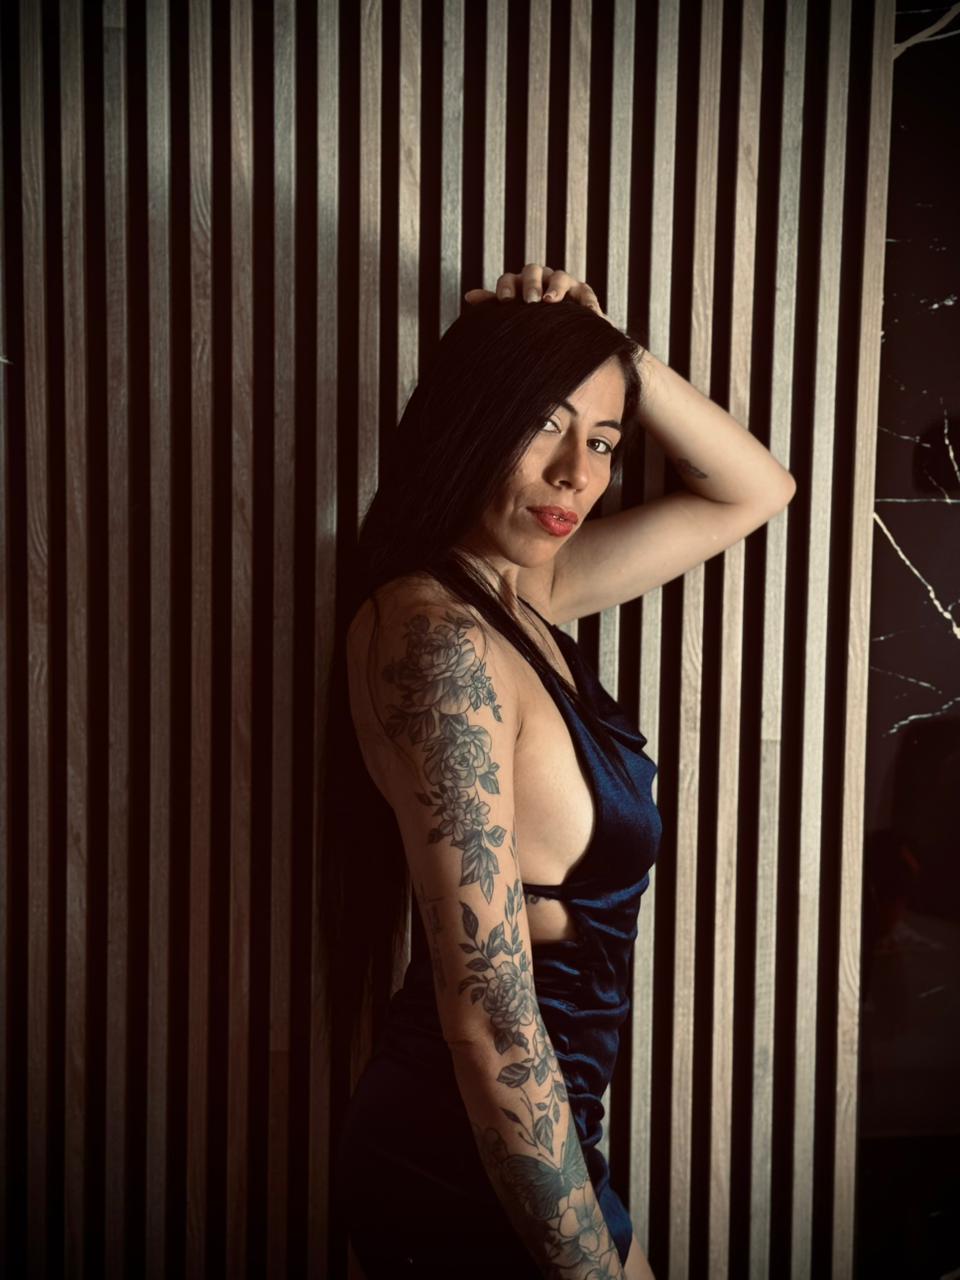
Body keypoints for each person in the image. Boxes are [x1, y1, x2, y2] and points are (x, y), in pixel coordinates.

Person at [320, 265, 796, 1278]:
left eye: (606, 441)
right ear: (472, 421)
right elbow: (488, 1014)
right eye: (545, 424)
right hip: (469, 1144)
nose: (579, 472)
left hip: (546, 1124)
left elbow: (759, 489)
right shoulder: (439, 638)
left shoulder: (521, 601)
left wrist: (610, 346)